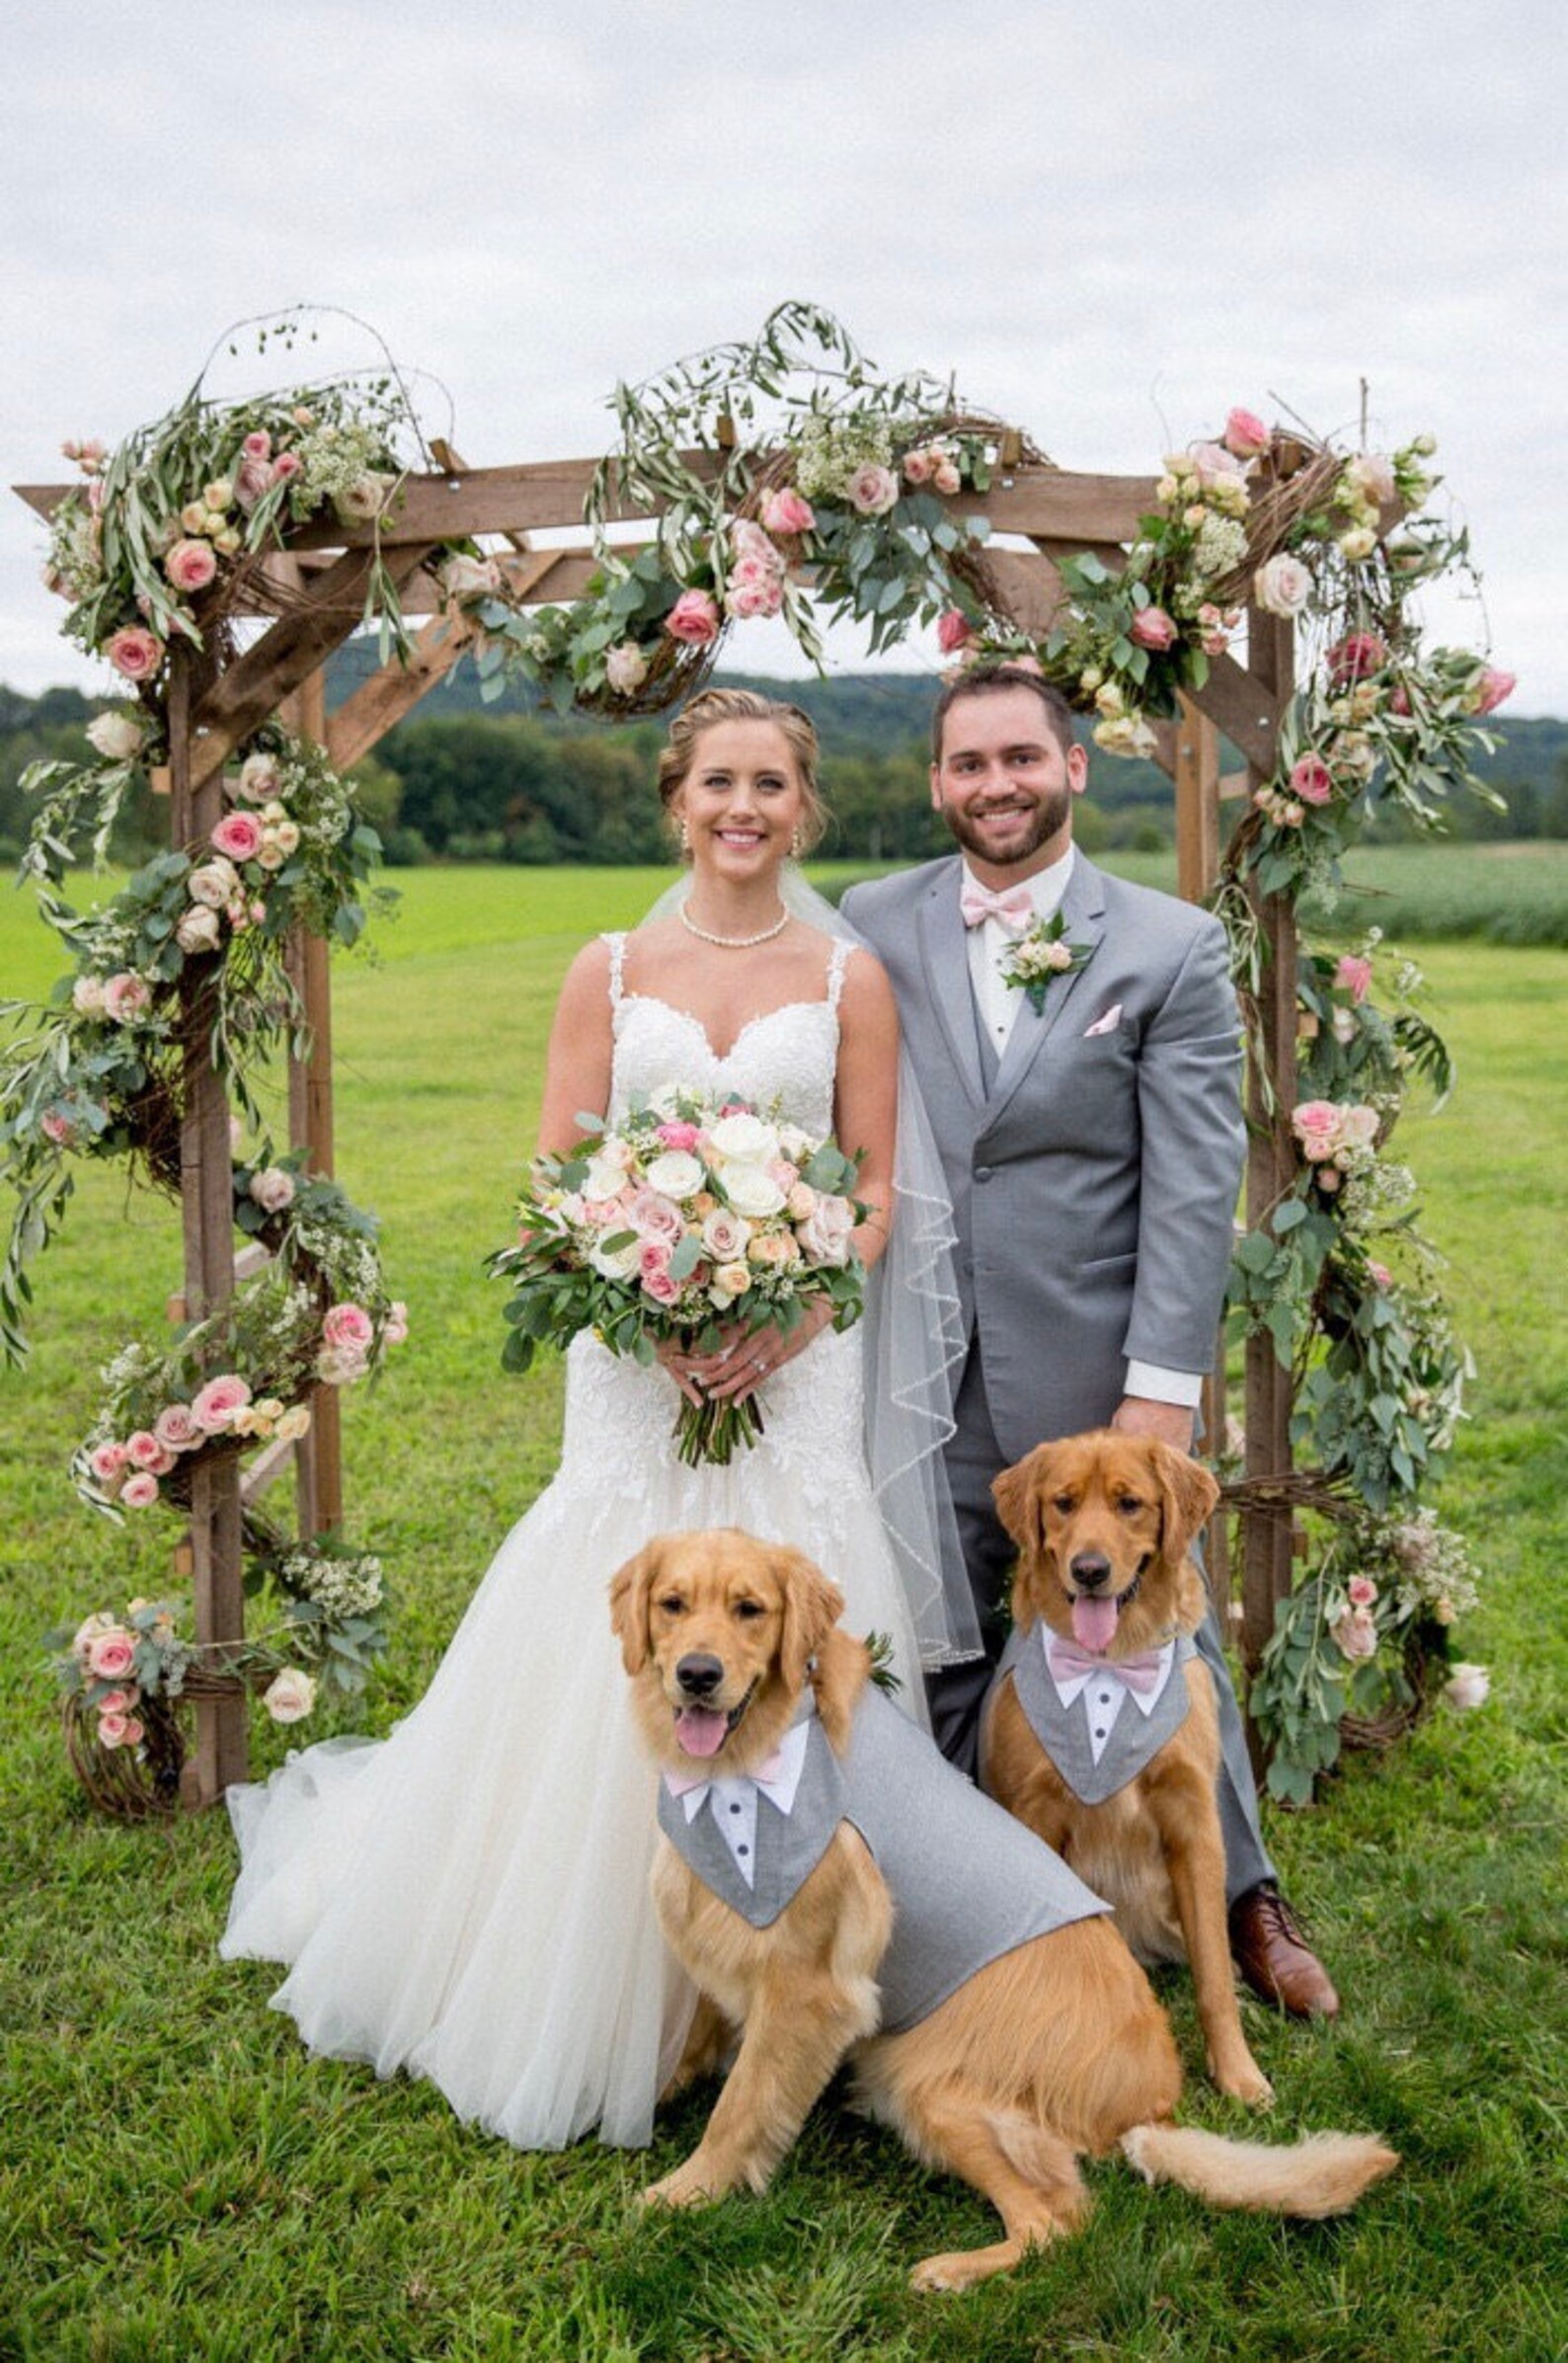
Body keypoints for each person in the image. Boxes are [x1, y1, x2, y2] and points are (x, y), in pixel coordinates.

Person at [221, 687, 975, 2149]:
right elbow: (557, 1179)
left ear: (802, 807)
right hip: (635, 1374)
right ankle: (593, 1983)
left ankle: (805, 1964)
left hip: (795, 1361)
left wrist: (789, 1307)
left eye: (770, 784)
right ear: (675, 798)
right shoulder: (607, 967)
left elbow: (874, 1191)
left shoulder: (848, 980)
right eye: (716, 783)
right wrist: (643, 1292)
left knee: (791, 1607)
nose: (742, 807)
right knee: (625, 1613)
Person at [841, 664, 1340, 2019]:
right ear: (936, 780)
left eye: (1020, 757)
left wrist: (1160, 1395)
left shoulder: (1167, 947)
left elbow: (1190, 1184)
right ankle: (978, 1923)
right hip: (920, 1373)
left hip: (1099, 1388)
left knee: (1166, 1641)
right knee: (942, 1637)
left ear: (1075, 767)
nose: (994, 784)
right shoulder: (870, 921)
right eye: (967, 763)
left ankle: (1241, 1893)